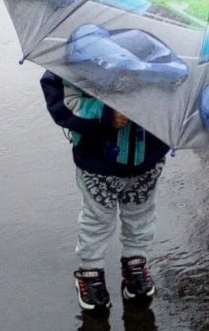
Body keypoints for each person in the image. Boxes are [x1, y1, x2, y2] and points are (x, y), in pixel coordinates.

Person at [41, 72, 169, 313]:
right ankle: (90, 270)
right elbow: (62, 98)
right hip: (98, 162)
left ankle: (135, 259)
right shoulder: (81, 51)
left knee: (141, 213)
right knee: (97, 218)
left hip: (147, 158)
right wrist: (103, 113)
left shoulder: (167, 57)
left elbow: (183, 99)